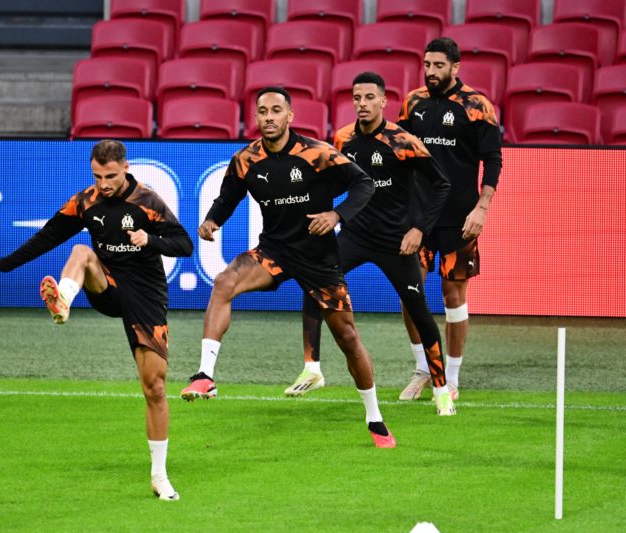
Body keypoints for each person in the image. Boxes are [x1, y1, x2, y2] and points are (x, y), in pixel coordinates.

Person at [180, 86, 397, 448]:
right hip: (275, 252)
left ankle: (375, 419)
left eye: (276, 110)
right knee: (223, 283)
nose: (268, 117)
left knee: (348, 338)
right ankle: (205, 375)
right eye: (262, 111)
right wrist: (211, 220)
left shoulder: (318, 153)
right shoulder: (246, 160)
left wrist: (336, 214)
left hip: (319, 259)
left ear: (289, 116)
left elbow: (364, 183)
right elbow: (227, 198)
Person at [0, 140, 192, 501]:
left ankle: (158, 475)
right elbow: (50, 235)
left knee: (154, 387)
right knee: (81, 251)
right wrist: (5, 263)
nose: (104, 183)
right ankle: (62, 301)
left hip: (145, 295)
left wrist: (150, 239)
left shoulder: (148, 202)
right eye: (97, 175)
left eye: (110, 176)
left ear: (125, 168)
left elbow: (184, 244)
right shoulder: (85, 201)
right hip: (106, 285)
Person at [288, 72, 456, 416]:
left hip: (397, 241)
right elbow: (334, 181)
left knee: (419, 311)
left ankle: (441, 389)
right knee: (313, 287)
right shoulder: (344, 139)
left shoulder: (403, 140)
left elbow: (441, 185)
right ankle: (312, 368)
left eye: (368, 98)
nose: (361, 104)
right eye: (356, 98)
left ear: (383, 101)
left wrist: (419, 230)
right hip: (355, 235)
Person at [396, 37, 503, 401]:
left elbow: (493, 160)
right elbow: (399, 154)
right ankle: (423, 369)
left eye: (438, 66)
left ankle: (452, 378)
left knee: (453, 295)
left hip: (460, 218)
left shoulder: (476, 106)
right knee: (409, 292)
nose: (431, 72)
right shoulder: (413, 103)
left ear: (455, 67)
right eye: (427, 65)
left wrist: (482, 207)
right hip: (417, 219)